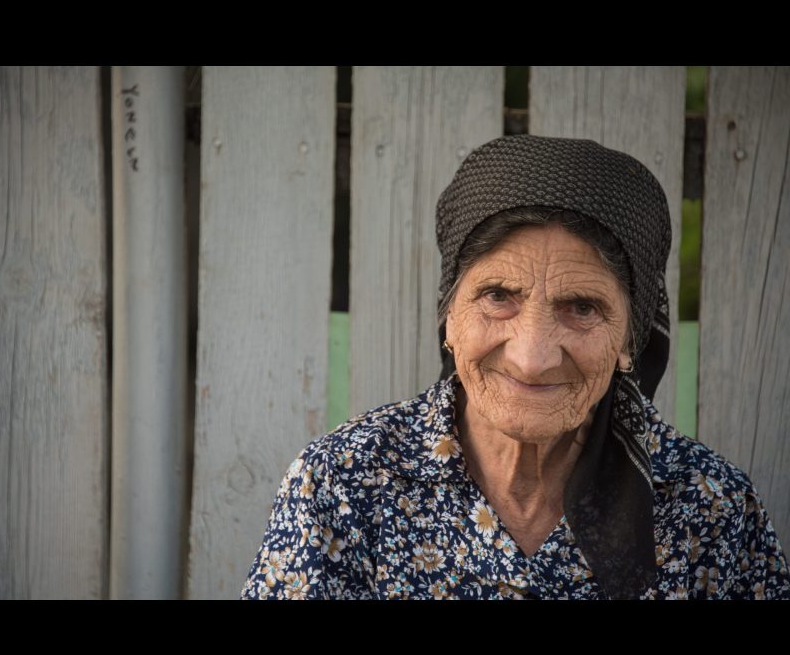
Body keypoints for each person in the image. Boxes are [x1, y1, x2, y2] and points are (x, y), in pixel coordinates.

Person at [241, 133, 790, 600]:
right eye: (498, 295)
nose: (532, 356)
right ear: (449, 319)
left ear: (630, 341)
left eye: (582, 307)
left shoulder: (711, 510)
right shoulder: (342, 485)